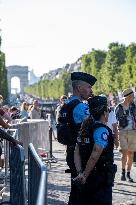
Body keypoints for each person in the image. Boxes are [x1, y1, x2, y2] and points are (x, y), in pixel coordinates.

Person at [74, 96, 116, 205]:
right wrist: (85, 175)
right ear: (104, 112)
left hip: (84, 176)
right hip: (99, 178)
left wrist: (80, 173)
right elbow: (94, 155)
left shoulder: (84, 127)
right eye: (108, 110)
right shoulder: (102, 130)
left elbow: (77, 152)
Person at [64, 72, 97, 205]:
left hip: (71, 150)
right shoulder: (81, 107)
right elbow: (95, 126)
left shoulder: (67, 103)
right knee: (83, 192)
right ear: (79, 88)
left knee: (76, 190)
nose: (91, 90)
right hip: (81, 153)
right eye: (88, 87)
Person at [115, 88, 136, 182]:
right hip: (122, 132)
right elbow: (115, 121)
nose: (133, 98)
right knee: (124, 152)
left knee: (131, 154)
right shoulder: (119, 107)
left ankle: (128, 173)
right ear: (128, 96)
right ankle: (123, 172)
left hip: (133, 132)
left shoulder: (134, 106)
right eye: (132, 96)